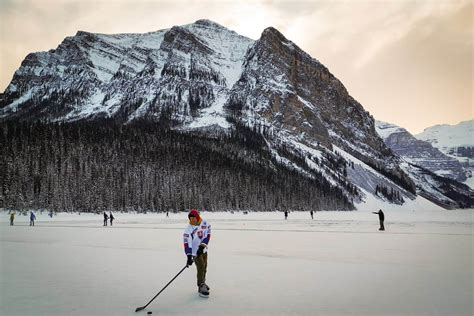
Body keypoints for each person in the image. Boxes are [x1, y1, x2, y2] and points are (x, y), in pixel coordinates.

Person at [183, 209, 211, 298]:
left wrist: (202, 246)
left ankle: (203, 282)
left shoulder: (205, 223)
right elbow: (187, 243)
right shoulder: (188, 229)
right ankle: (201, 286)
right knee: (201, 267)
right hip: (195, 253)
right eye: (190, 218)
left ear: (197, 217)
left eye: (194, 218)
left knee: (205, 267)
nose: (192, 220)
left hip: (203, 250)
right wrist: (189, 256)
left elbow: (208, 234)